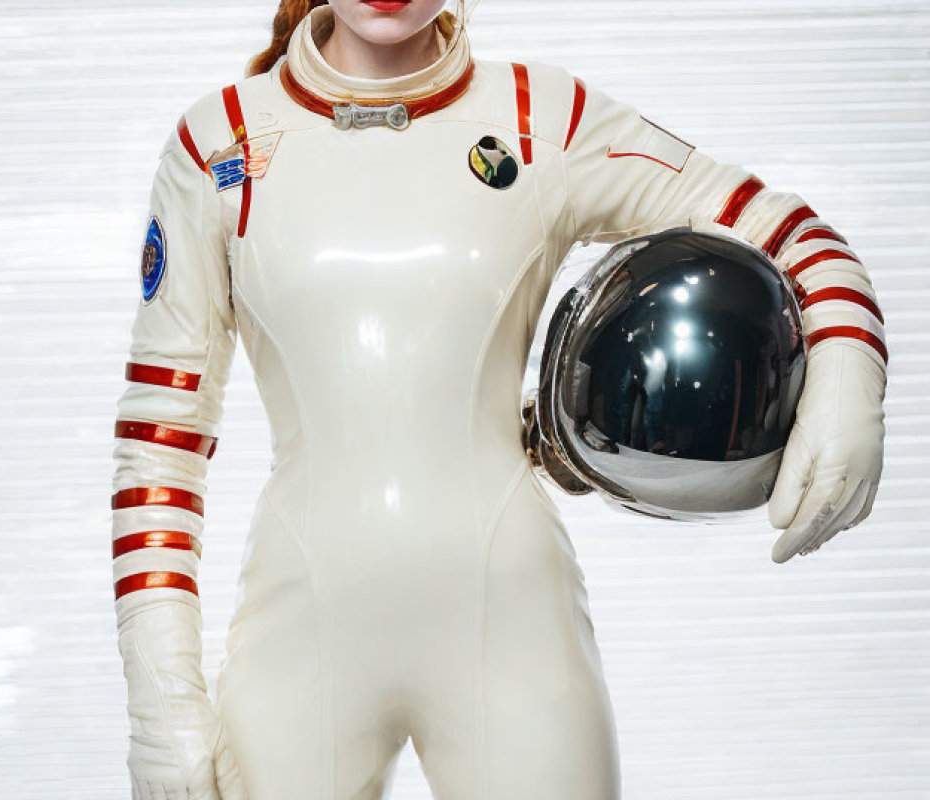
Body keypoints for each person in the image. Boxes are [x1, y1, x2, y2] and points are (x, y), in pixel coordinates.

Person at [110, 0, 888, 798]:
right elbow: (160, 440)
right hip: (299, 632)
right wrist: (159, 699)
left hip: (514, 622)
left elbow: (782, 228)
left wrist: (849, 354)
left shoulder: (540, 119)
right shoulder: (219, 144)